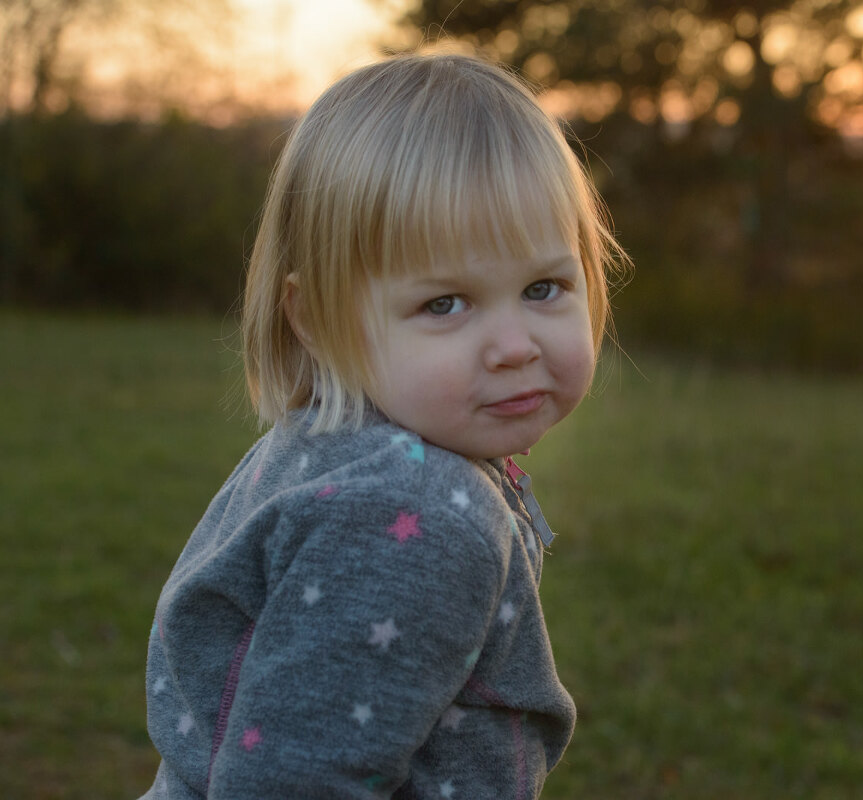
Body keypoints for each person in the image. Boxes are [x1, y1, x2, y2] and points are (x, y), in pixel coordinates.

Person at [140, 49, 627, 799]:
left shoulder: (334, 447)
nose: (514, 346)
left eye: (543, 286)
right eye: (445, 304)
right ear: (318, 320)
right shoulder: (417, 515)